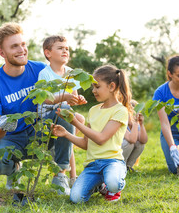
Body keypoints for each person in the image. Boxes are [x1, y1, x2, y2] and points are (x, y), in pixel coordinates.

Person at [0, 23, 75, 195]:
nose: (21, 50)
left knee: (65, 111)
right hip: (12, 140)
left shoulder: (40, 70)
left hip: (41, 134)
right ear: (2, 53)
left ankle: (60, 174)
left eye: (23, 44)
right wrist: (4, 125)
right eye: (14, 46)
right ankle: (13, 170)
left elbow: (64, 102)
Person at [52, 65, 131, 203]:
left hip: (112, 162)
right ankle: (100, 185)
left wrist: (75, 122)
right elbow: (85, 144)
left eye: (97, 86)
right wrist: (66, 134)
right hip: (93, 165)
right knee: (76, 199)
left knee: (113, 182)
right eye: (93, 87)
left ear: (112, 86)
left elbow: (101, 139)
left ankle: (113, 186)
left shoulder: (120, 111)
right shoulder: (93, 110)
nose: (93, 90)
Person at [38, 35, 87, 186]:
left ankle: (72, 176)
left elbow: (73, 98)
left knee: (79, 120)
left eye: (67, 48)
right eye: (60, 48)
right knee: (69, 120)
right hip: (47, 115)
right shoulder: (45, 73)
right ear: (48, 53)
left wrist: (79, 100)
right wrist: (63, 96)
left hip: (64, 114)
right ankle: (65, 174)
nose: (65, 51)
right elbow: (45, 99)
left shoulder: (71, 73)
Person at [122, 100, 148, 172]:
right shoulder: (121, 123)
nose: (133, 117)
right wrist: (136, 123)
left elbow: (144, 140)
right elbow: (132, 140)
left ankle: (128, 166)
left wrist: (141, 124)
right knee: (129, 143)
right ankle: (120, 167)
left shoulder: (135, 125)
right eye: (131, 114)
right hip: (115, 153)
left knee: (140, 143)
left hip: (124, 150)